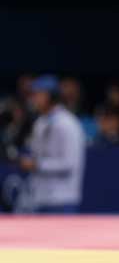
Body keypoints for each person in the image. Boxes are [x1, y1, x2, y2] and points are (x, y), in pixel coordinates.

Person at [19, 75, 86, 213]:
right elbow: (37, 154)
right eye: (33, 95)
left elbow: (69, 163)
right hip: (39, 198)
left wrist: (37, 165)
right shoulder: (40, 123)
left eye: (38, 94)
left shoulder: (68, 124)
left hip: (63, 198)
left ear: (51, 96)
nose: (34, 99)